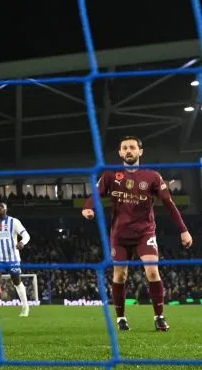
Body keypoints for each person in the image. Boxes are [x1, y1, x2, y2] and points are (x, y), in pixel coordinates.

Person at [82, 135, 193, 331]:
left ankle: (159, 317)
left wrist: (184, 230)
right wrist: (87, 207)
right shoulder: (110, 175)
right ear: (120, 152)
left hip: (145, 233)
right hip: (120, 235)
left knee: (152, 271)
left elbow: (169, 203)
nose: (129, 151)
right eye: (125, 148)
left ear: (140, 151)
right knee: (120, 276)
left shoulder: (152, 176)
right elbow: (96, 194)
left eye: (132, 147)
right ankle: (121, 318)